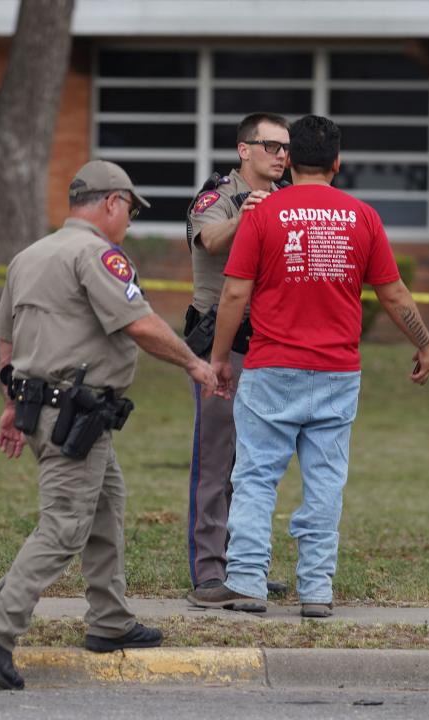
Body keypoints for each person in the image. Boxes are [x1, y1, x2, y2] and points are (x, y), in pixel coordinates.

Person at [0, 160, 219, 691]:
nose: (128, 220)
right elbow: (138, 322)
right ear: (111, 203)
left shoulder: (30, 254)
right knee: (64, 526)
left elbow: (7, 337)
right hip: (73, 411)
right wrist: (194, 363)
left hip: (43, 408)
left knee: (106, 504)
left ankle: (109, 620)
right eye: (129, 209)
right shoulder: (96, 254)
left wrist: (12, 405)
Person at [206, 115, 429, 618]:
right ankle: (316, 591)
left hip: (270, 367)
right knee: (326, 482)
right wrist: (424, 342)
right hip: (337, 371)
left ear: (290, 159)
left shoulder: (263, 212)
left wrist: (220, 358)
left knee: (256, 478)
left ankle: (246, 581)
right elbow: (393, 293)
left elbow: (235, 291)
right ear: (337, 162)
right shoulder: (363, 217)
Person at [183, 113, 290, 608]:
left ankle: (244, 567)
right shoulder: (218, 197)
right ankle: (210, 572)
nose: (281, 155)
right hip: (220, 348)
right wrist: (246, 215)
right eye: (271, 145)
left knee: (255, 465)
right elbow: (208, 239)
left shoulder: (287, 198)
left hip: (268, 347)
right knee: (215, 460)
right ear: (244, 149)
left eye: (286, 148)